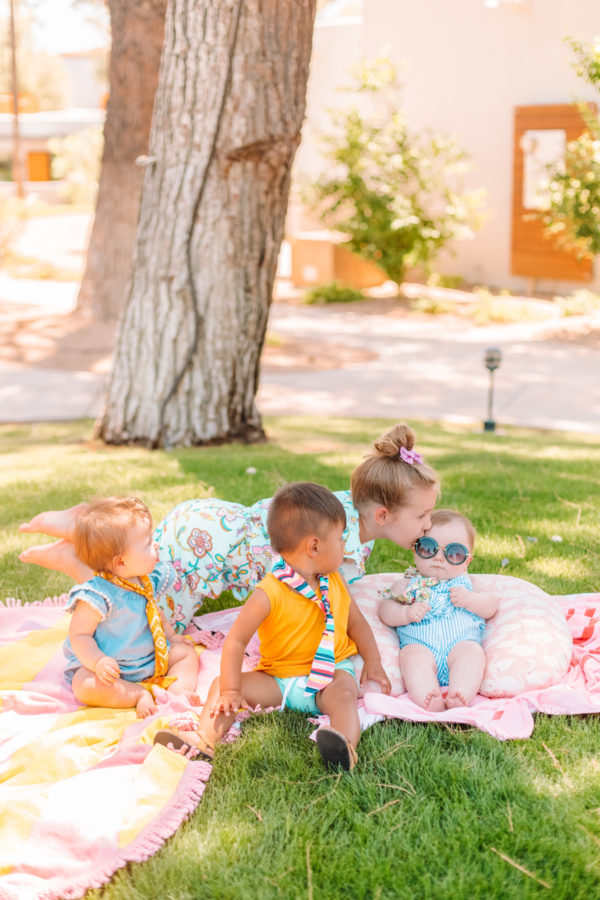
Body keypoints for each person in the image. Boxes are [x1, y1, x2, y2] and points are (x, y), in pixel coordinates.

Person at [18, 423, 440, 631]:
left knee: (138, 565)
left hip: (213, 519)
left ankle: (81, 527)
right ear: (382, 515)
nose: (428, 525)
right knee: (150, 626)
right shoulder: (338, 546)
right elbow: (331, 612)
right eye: (421, 516)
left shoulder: (344, 510)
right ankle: (79, 559)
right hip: (203, 550)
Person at [155, 482, 391, 771]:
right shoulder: (269, 592)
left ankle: (343, 746)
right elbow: (237, 641)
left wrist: (374, 660)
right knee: (222, 686)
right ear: (314, 546)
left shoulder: (335, 580)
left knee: (344, 693)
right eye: (341, 538)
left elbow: (356, 623)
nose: (345, 545)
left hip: (330, 675)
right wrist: (231, 689)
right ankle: (204, 739)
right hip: (279, 680)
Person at [61, 497, 199, 718]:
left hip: (149, 659)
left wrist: (172, 637)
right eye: (147, 543)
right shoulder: (99, 595)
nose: (156, 545)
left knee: (186, 654)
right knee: (83, 685)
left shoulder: (146, 580)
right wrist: (98, 662)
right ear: (121, 562)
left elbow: (154, 612)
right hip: (112, 670)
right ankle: (135, 694)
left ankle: (177, 690)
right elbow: (79, 635)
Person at [377, 509, 499, 711]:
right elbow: (385, 609)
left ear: (467, 561)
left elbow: (491, 605)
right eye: (428, 548)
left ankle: (460, 693)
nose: (439, 558)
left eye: (454, 553)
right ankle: (427, 695)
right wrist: (405, 614)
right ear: (415, 550)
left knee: (473, 654)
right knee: (411, 657)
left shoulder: (469, 584)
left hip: (460, 645)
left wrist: (471, 600)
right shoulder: (408, 584)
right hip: (420, 645)